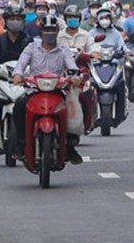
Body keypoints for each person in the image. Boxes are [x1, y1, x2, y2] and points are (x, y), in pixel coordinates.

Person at [10, 14, 84, 165]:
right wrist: (17, 75)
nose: (50, 33)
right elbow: (20, 65)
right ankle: (21, 143)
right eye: (47, 30)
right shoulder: (31, 48)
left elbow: (72, 68)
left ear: (57, 31)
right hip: (34, 91)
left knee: (72, 110)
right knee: (18, 107)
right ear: (41, 31)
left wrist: (75, 77)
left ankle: (70, 146)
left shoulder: (64, 50)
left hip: (57, 91)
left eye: (53, 30)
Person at [0, 5, 33, 143]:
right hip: (2, 76)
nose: (15, 22)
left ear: (23, 21)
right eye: (12, 19)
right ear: (6, 21)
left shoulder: (28, 40)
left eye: (18, 19)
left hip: (23, 78)